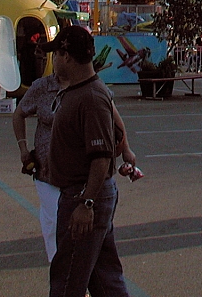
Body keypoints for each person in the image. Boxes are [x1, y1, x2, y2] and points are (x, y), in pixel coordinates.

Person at [43, 25, 135, 297]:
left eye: (56, 55)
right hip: (84, 194)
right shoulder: (82, 91)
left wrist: (86, 203)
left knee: (68, 279)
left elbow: (101, 157)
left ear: (67, 56)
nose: (54, 61)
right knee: (104, 280)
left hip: (83, 195)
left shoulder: (91, 97)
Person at [12, 70, 63, 261]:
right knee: (54, 221)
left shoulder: (85, 85)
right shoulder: (43, 86)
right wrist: (23, 148)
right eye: (58, 54)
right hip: (46, 170)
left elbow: (112, 117)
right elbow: (19, 114)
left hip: (79, 172)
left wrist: (124, 150)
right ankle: (60, 270)